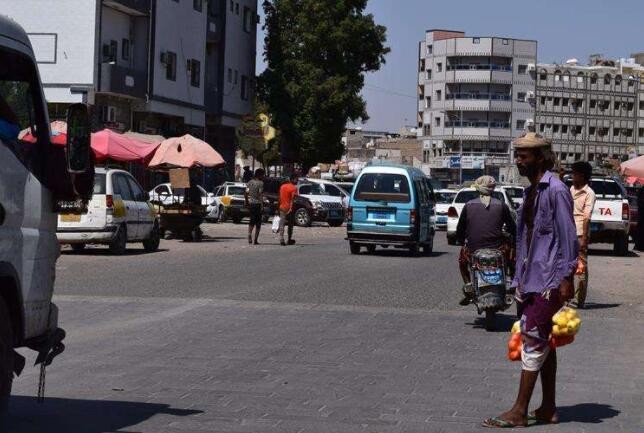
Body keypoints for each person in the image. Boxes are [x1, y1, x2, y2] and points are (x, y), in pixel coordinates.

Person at [483, 132, 578, 428]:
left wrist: (567, 276)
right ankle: (548, 408)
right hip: (528, 279)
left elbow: (568, 236)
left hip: (549, 278)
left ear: (539, 157)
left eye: (523, 156)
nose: (518, 161)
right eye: (517, 155)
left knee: (533, 340)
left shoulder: (557, 190)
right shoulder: (531, 192)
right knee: (544, 340)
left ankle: (519, 410)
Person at [456, 175, 516, 306]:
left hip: (473, 250)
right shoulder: (502, 205)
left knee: (462, 262)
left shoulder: (468, 205)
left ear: (478, 189)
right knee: (512, 259)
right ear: (493, 189)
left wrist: (461, 241)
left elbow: (460, 230)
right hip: (499, 249)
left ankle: (468, 286)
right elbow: (512, 228)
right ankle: (513, 285)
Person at [569, 161, 596, 308]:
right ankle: (567, 295)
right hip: (568, 231)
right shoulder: (571, 189)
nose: (572, 176)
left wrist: (584, 238)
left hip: (580, 232)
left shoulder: (589, 193)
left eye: (575, 174)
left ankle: (579, 300)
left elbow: (587, 217)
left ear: (582, 175)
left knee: (581, 267)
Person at [245, 168, 265, 245]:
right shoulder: (260, 183)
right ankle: (255, 240)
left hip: (251, 204)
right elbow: (260, 194)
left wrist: (246, 201)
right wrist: (262, 205)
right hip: (258, 204)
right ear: (259, 175)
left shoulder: (249, 182)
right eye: (262, 175)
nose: (263, 176)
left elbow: (246, 193)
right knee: (258, 223)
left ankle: (249, 234)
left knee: (251, 221)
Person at [278, 173, 298, 246]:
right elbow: (293, 200)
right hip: (289, 208)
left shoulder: (282, 187)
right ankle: (289, 239)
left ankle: (281, 239)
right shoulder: (294, 188)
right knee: (290, 225)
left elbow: (279, 198)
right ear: (292, 179)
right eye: (296, 179)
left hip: (282, 207)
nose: (297, 181)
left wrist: (278, 207)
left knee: (282, 224)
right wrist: (291, 208)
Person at [635, 186, 644, 251]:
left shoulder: (641, 190)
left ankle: (639, 246)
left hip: (641, 215)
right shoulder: (641, 191)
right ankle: (639, 246)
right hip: (642, 214)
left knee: (640, 230)